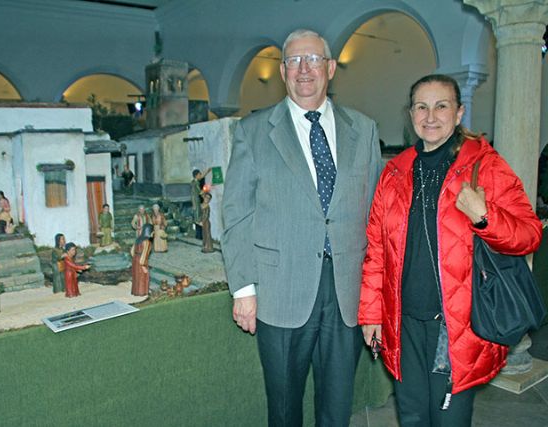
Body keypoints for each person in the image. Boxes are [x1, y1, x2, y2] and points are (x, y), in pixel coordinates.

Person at [358, 74, 543, 426]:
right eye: (421, 107)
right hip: (404, 321)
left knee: (449, 420)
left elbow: (529, 234)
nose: (430, 116)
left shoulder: (485, 166)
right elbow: (377, 249)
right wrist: (371, 314)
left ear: (459, 113)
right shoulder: (395, 172)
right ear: (410, 114)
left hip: (457, 326)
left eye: (441, 106)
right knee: (411, 415)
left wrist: (485, 217)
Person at [222, 29, 382, 426]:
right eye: (294, 61)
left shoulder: (364, 130)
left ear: (330, 68)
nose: (304, 69)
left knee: (336, 408)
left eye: (313, 59)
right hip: (280, 292)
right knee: (284, 407)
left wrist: (376, 295)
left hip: (345, 291)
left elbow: (376, 216)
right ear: (282, 71)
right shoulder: (254, 132)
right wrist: (243, 289)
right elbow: (236, 212)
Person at [131, 224, 153, 297]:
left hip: (135, 259)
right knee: (142, 276)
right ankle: (141, 292)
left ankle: (135, 291)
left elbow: (131, 251)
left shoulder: (138, 239)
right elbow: (145, 253)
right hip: (141, 260)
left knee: (136, 276)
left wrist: (135, 257)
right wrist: (143, 265)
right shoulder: (147, 242)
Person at [191, 167, 211, 239]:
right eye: (199, 174)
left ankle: (200, 233)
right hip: (196, 201)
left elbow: (201, 177)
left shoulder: (194, 181)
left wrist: (207, 171)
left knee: (199, 216)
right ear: (196, 175)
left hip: (196, 201)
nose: (200, 176)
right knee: (198, 217)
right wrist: (209, 187)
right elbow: (201, 192)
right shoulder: (195, 183)